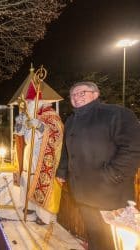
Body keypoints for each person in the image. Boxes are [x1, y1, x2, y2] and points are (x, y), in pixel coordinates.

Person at [56, 81, 140, 250]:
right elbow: (67, 150)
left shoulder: (115, 114)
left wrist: (112, 175)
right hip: (83, 190)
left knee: (112, 236)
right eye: (73, 95)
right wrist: (62, 171)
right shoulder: (72, 120)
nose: (76, 97)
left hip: (109, 191)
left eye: (82, 93)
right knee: (94, 232)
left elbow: (133, 148)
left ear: (95, 94)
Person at [14, 82, 63, 225]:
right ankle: (29, 206)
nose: (28, 103)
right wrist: (20, 121)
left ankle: (43, 216)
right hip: (30, 152)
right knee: (27, 178)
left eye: (31, 101)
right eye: (27, 101)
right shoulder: (28, 115)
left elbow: (57, 133)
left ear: (39, 101)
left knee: (39, 181)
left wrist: (40, 126)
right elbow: (19, 133)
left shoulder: (51, 115)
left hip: (43, 155)